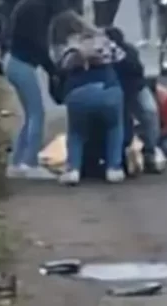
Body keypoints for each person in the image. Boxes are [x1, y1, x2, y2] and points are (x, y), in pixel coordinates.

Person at [48, 11, 126, 185]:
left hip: (78, 92)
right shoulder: (100, 38)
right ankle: (114, 168)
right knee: (114, 127)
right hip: (108, 88)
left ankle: (73, 169)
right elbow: (121, 56)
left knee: (76, 132)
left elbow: (60, 68)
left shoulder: (63, 46)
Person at [4, 0, 66, 179]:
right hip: (23, 65)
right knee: (37, 113)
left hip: (14, 61)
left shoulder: (27, 4)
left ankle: (17, 162)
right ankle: (30, 163)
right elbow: (39, 45)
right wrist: (53, 70)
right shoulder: (37, 9)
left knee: (30, 114)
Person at [105, 27, 165, 173]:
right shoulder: (101, 55)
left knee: (150, 113)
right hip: (115, 91)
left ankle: (150, 149)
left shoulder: (129, 52)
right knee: (123, 123)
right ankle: (124, 154)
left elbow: (138, 70)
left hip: (135, 87)